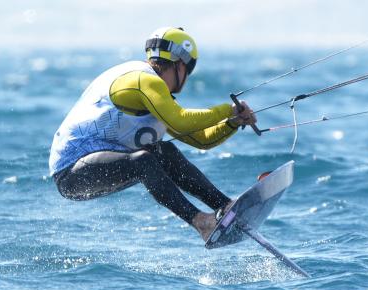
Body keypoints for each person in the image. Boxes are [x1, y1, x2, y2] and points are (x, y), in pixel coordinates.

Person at [49, 27, 257, 241]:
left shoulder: (157, 96)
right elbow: (181, 121)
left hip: (100, 167)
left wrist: (233, 122)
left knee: (164, 150)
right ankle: (202, 222)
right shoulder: (143, 81)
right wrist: (228, 110)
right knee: (144, 160)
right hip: (71, 174)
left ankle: (226, 207)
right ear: (180, 64)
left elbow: (201, 140)